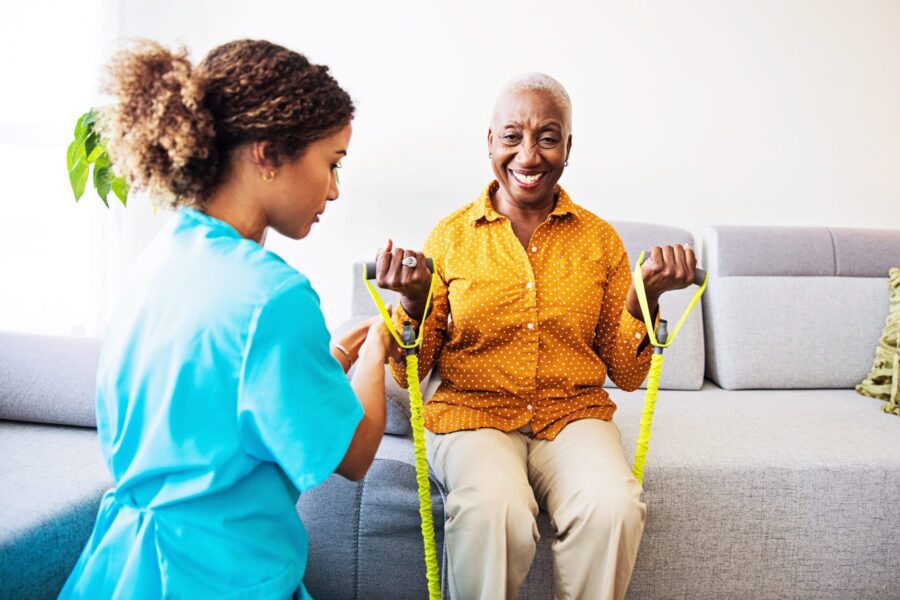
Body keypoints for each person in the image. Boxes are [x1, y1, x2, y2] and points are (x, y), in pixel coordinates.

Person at [59, 39, 393, 599]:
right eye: (331, 163)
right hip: (223, 578)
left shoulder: (160, 260)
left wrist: (330, 356)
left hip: (122, 571)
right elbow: (355, 452)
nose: (335, 190)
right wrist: (379, 351)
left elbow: (223, 405)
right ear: (267, 153)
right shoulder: (274, 296)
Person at [375, 73, 697, 600]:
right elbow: (412, 368)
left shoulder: (599, 240)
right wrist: (413, 302)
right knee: (492, 510)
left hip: (571, 415)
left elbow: (630, 373)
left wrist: (647, 297)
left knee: (613, 505)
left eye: (548, 137)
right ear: (489, 143)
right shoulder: (450, 236)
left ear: (568, 147)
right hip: (472, 414)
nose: (528, 155)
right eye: (512, 136)